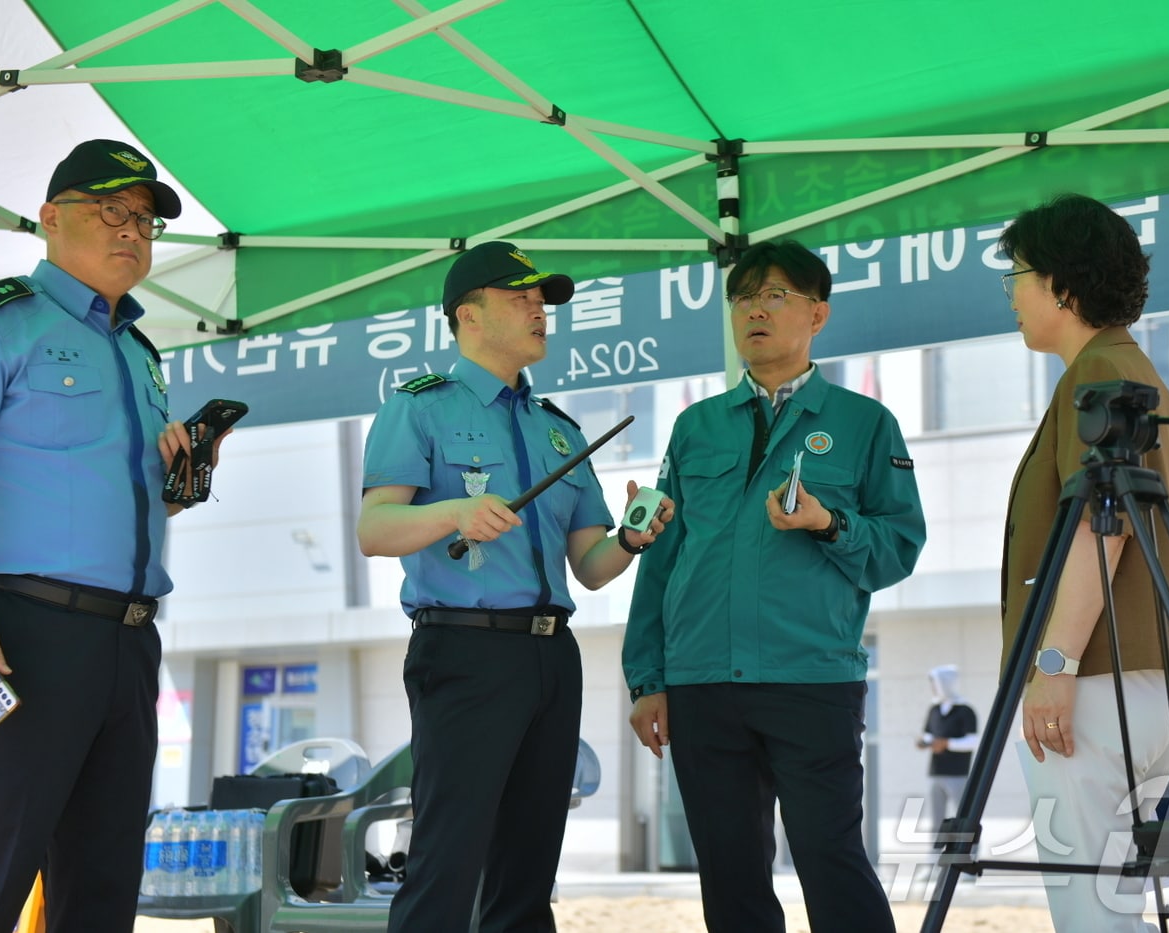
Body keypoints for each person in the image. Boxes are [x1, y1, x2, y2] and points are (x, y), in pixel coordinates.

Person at [0, 139, 227, 933]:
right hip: (24, 632)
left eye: (148, 221)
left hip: (130, 639)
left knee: (102, 881)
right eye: (112, 211)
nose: (133, 231)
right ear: (52, 219)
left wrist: (181, 485)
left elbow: (109, 503)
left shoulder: (140, 353)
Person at [357, 240, 673, 933]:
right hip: (466, 652)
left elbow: (588, 565)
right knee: (448, 861)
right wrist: (454, 511)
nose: (539, 310)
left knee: (529, 869)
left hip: (552, 656)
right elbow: (374, 530)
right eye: (520, 297)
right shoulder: (420, 409)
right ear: (467, 314)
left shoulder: (558, 427)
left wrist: (631, 537)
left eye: (543, 300)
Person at [623, 239, 926, 933]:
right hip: (701, 684)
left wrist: (828, 522)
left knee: (830, 858)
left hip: (810, 680)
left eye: (775, 295)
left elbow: (898, 547)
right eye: (742, 297)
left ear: (817, 314)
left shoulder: (864, 422)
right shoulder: (694, 426)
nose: (754, 309)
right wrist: (647, 678)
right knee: (730, 874)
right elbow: (661, 554)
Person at [998, 193, 1169, 931]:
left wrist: (1054, 665)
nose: (1012, 291)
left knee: (1090, 908)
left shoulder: (1099, 376)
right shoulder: (1132, 368)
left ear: (1063, 284)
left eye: (1019, 273)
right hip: (1140, 682)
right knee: (1115, 903)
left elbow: (1106, 528)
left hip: (1092, 681)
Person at [915, 664, 978, 846]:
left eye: (936, 683)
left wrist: (947, 743)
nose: (933, 688)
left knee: (963, 819)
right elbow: (929, 734)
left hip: (958, 774)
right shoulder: (934, 710)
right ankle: (934, 864)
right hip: (936, 773)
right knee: (936, 821)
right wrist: (924, 742)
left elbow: (973, 741)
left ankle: (967, 863)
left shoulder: (965, 710)